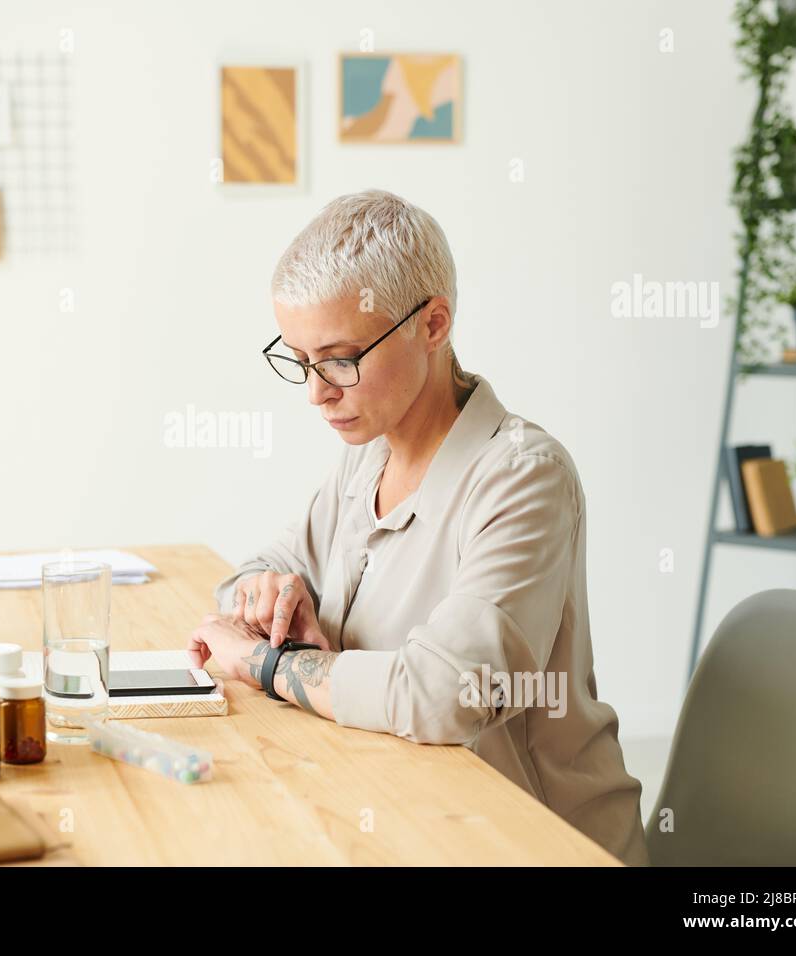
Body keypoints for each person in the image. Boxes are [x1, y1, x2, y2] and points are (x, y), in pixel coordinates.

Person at [187, 190, 649, 866]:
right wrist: (267, 594)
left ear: (432, 325)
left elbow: (445, 694)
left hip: (530, 840)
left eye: (340, 359)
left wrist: (267, 662)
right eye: (300, 360)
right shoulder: (367, 457)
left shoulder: (524, 476)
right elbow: (250, 576)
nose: (317, 391)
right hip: (396, 812)